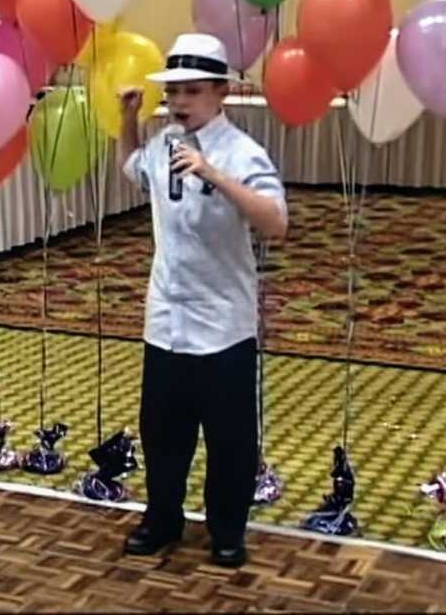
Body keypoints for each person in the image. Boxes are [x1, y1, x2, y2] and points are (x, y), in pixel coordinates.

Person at [117, 33, 288, 568]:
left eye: (192, 91)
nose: (181, 103)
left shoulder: (243, 153)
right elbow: (133, 173)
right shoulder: (165, 143)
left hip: (224, 325)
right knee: (162, 431)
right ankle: (162, 516)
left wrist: (215, 174)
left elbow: (276, 222)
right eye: (173, 93)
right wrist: (128, 121)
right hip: (166, 318)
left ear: (221, 93)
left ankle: (227, 530)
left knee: (230, 440)